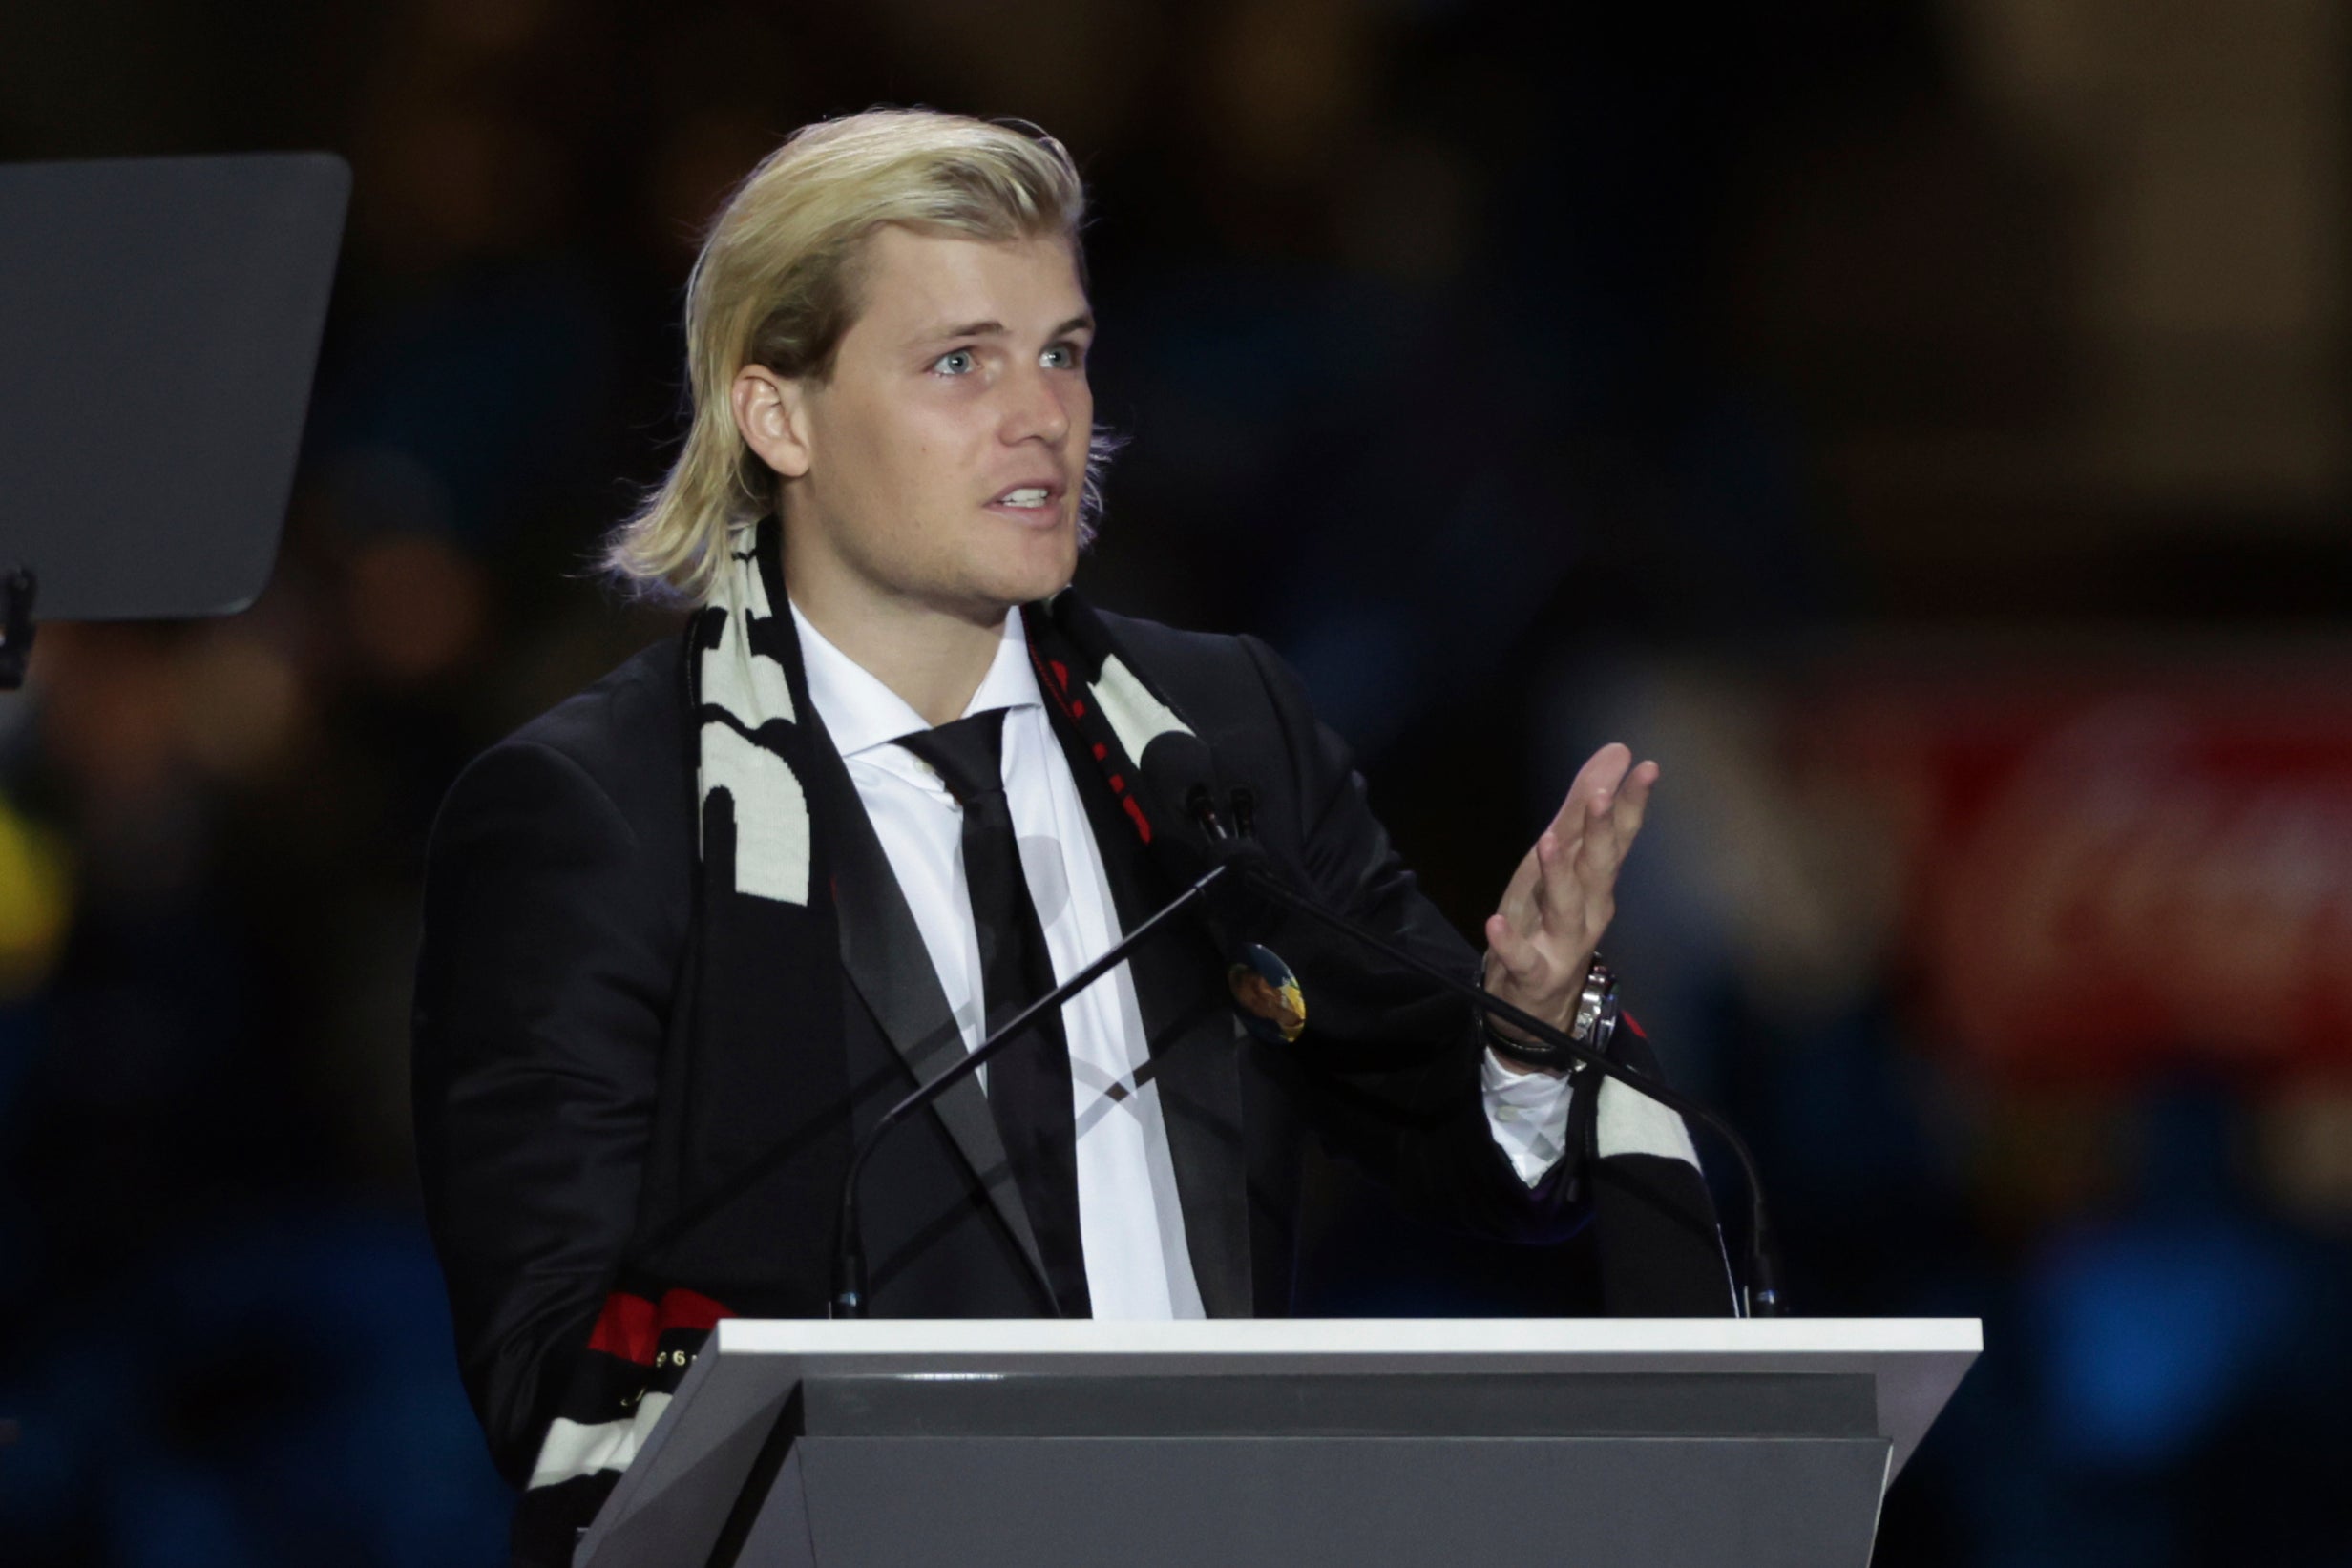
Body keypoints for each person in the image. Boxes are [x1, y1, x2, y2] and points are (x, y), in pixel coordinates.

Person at [410, 107, 1733, 1560]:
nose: (1040, 413)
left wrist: (1529, 1023)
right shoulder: (599, 817)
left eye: (1064, 351)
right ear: (776, 412)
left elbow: (1473, 1153)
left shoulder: (1212, 740)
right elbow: (555, 1398)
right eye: (960, 362)